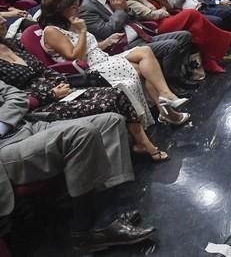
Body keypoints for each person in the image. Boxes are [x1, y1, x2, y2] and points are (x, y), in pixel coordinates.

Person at [0, 79, 157, 253]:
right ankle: (88, 230)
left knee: (111, 121)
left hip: (27, 125)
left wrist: (3, 121)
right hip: (5, 148)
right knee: (81, 134)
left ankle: (111, 212)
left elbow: (17, 96)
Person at [0, 16, 164, 162]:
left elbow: (44, 68)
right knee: (106, 102)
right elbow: (12, 96)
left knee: (118, 93)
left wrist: (60, 82)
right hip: (40, 105)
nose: (3, 21)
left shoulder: (13, 44)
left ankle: (141, 142)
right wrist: (51, 93)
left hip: (61, 90)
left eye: (1, 17)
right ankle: (131, 148)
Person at [40, 0, 190, 129]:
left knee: (145, 53)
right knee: (145, 67)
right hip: (91, 69)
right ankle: (167, 110)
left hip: (102, 58)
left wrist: (105, 42)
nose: (78, 10)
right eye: (74, 7)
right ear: (60, 9)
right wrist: (83, 31)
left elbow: (88, 48)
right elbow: (75, 56)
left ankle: (166, 98)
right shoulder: (51, 31)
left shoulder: (70, 23)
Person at [79, 0, 195, 91]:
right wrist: (119, 11)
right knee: (171, 45)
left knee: (184, 36)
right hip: (123, 45)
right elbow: (106, 31)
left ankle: (177, 75)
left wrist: (127, 9)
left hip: (140, 34)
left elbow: (133, 16)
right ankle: (171, 85)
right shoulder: (86, 8)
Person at [116, 0, 231, 74]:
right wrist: (163, 11)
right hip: (157, 27)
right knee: (191, 13)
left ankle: (209, 61)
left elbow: (170, 7)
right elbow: (149, 15)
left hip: (167, 18)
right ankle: (225, 38)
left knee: (195, 28)